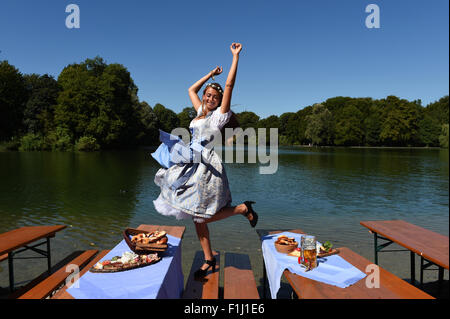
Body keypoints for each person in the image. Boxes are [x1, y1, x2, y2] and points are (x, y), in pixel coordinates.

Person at [151, 43, 258, 279]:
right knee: (194, 216)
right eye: (208, 95)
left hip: (207, 166)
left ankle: (241, 209)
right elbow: (190, 89)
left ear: (220, 101)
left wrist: (235, 57)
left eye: (214, 97)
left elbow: (230, 85)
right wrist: (210, 75)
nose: (210, 98)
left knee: (202, 215)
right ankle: (209, 259)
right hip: (190, 161)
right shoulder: (200, 111)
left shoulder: (220, 116)